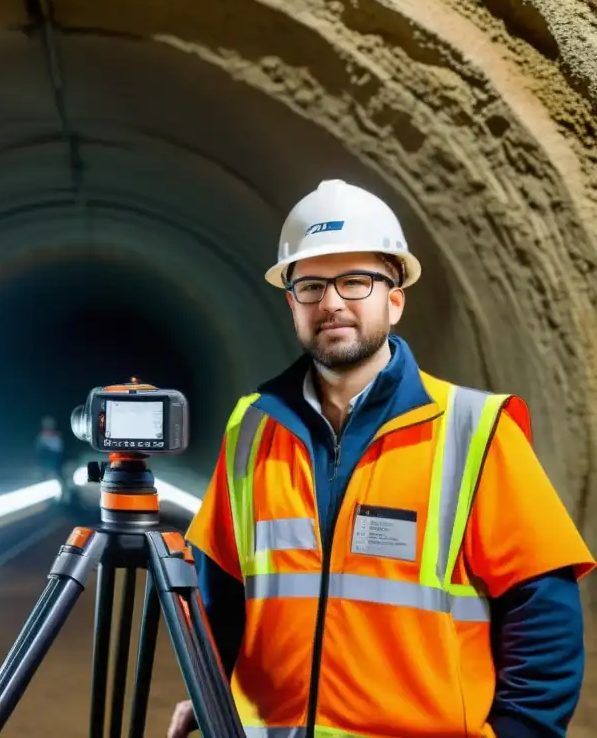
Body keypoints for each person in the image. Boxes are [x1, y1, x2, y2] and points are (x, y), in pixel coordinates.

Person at [169, 179, 595, 738]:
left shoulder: (475, 431)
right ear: (290, 301)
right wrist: (208, 690)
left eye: (356, 281)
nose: (332, 302)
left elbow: (544, 618)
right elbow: (220, 592)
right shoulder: (251, 426)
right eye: (311, 285)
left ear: (395, 298)